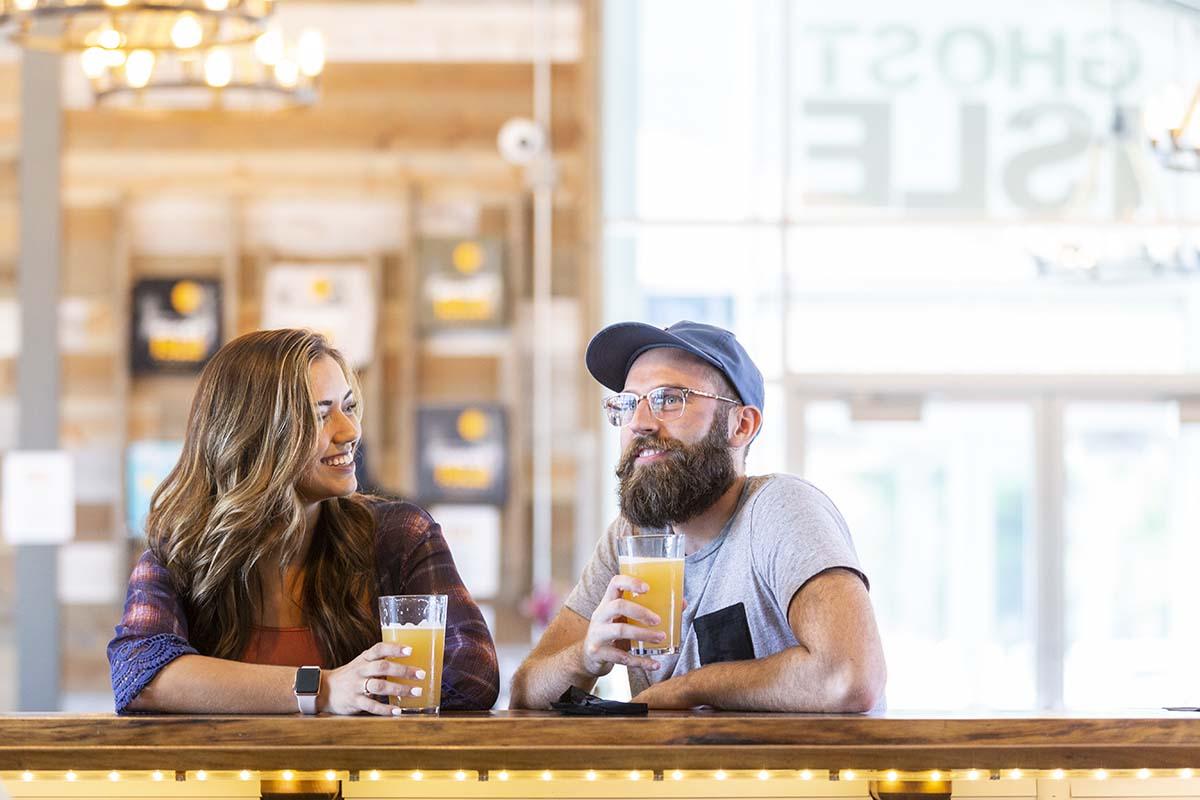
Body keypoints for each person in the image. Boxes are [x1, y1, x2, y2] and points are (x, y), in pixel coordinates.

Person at [108, 328, 498, 715]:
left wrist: (361, 690)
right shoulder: (183, 551)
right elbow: (140, 674)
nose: (350, 431)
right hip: (229, 779)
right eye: (320, 414)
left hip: (364, 778)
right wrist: (324, 689)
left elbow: (473, 671)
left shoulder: (399, 536)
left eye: (348, 407)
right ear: (253, 434)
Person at [510, 320, 886, 711]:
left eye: (669, 398)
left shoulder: (780, 509)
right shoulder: (635, 536)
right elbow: (526, 695)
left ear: (742, 425)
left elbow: (850, 677)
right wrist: (585, 656)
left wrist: (689, 688)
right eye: (627, 403)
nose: (639, 422)